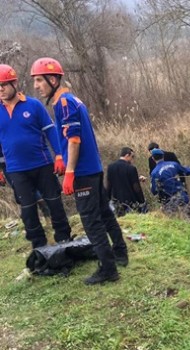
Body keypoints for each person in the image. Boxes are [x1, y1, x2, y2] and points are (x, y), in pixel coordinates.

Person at [31, 57, 127, 285]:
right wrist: (63, 159)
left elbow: (74, 140)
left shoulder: (64, 103)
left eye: (39, 81)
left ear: (52, 79)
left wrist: (70, 171)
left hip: (83, 172)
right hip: (93, 168)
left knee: (91, 220)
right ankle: (120, 253)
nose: (36, 86)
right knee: (105, 213)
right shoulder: (72, 100)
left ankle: (108, 269)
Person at [0, 64, 71, 249]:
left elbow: (51, 130)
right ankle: (39, 245)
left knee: (54, 202)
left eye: (3, 84)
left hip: (42, 164)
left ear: (14, 83)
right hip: (15, 169)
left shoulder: (33, 105)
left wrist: (60, 156)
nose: (0, 89)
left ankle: (64, 238)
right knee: (28, 209)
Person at [150, 148, 190, 216]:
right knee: (188, 220)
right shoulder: (174, 164)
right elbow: (185, 171)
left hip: (169, 202)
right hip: (182, 196)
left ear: (153, 158)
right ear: (163, 156)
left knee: (173, 222)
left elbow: (154, 191)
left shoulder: (154, 172)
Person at [105, 147, 147, 217]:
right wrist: (141, 201)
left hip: (116, 201)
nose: (132, 159)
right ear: (127, 155)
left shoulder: (110, 167)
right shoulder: (131, 168)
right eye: (132, 156)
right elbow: (136, 187)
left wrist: (107, 198)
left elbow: (108, 185)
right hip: (130, 202)